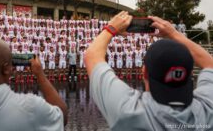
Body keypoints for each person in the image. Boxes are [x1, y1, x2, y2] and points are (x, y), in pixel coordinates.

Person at [84, 11, 213, 130]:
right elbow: (210, 64)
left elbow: (92, 55)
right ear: (190, 74)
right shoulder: (207, 110)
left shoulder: (127, 111)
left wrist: (111, 28)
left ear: (144, 72)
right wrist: (173, 34)